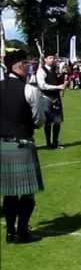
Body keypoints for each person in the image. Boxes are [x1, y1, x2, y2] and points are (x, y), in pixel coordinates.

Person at [1, 49, 48, 243]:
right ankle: (22, 231)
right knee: (27, 192)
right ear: (15, 66)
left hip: (2, 146)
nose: (28, 67)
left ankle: (10, 232)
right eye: (24, 63)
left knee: (9, 192)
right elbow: (38, 121)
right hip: (22, 144)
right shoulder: (30, 90)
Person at [36, 54, 67, 149]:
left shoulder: (54, 70)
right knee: (48, 122)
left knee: (57, 121)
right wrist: (57, 87)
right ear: (45, 59)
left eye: (53, 58)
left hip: (56, 98)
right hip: (46, 98)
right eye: (50, 58)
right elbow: (42, 85)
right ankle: (48, 143)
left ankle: (55, 143)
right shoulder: (41, 70)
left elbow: (57, 81)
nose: (52, 60)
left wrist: (64, 76)